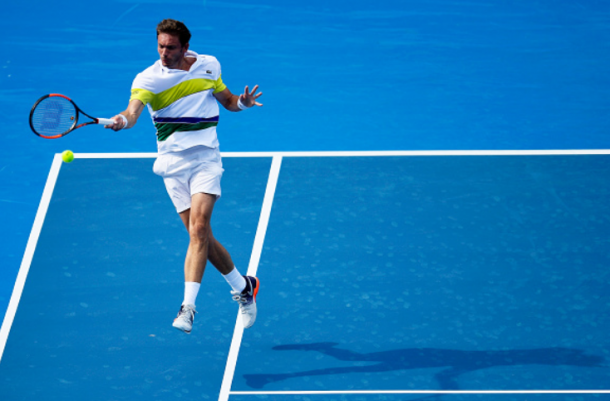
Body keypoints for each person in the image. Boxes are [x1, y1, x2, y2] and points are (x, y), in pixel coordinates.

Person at [105, 19, 263, 334]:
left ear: (185, 47)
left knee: (200, 229)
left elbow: (229, 101)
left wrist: (242, 104)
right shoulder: (148, 79)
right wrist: (122, 121)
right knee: (199, 237)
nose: (165, 53)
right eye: (161, 46)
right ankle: (245, 286)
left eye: (171, 47)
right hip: (172, 166)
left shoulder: (208, 66)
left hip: (206, 157)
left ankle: (188, 308)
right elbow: (132, 112)